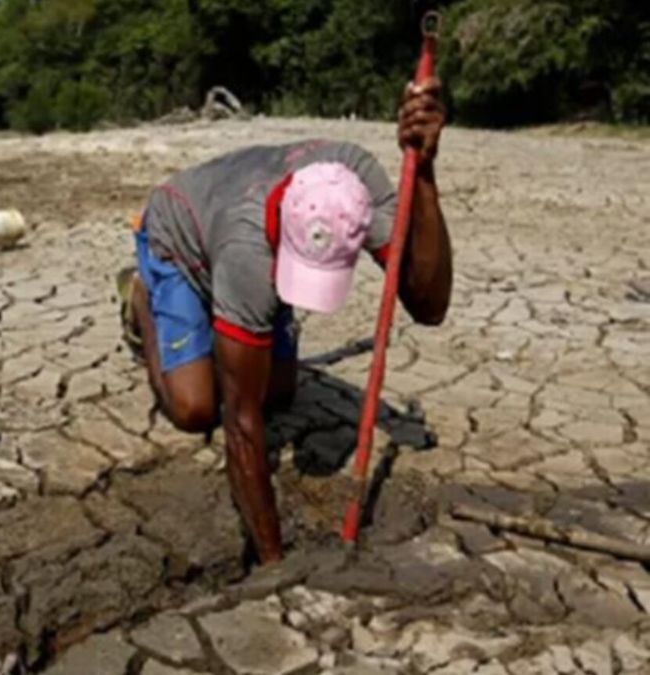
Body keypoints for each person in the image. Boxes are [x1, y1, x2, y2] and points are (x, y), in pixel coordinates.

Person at [116, 79, 453, 563]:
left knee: (281, 392)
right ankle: (142, 297)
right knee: (195, 408)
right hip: (179, 232)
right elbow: (241, 422)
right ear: (281, 238)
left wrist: (424, 170)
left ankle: (223, 323)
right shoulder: (247, 251)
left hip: (237, 220)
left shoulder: (353, 186)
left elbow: (430, 304)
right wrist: (273, 564)